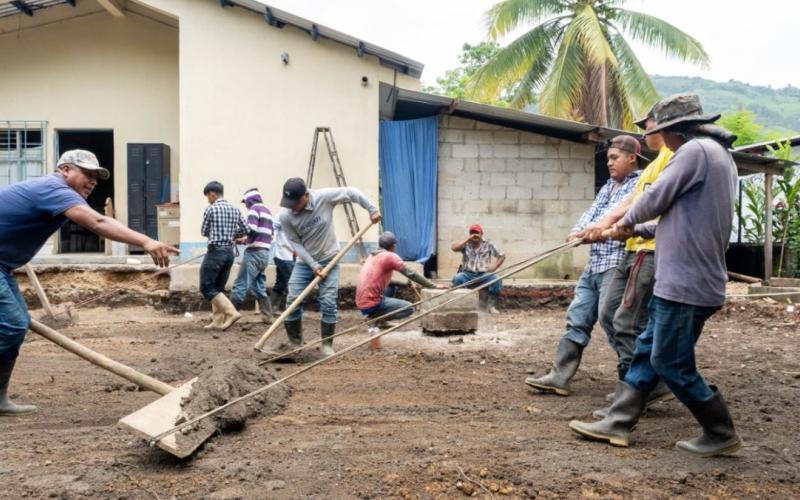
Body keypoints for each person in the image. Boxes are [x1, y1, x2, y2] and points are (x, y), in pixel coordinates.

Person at [570, 94, 743, 457]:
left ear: (672, 129)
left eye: (659, 130)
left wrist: (620, 223)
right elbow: (676, 221)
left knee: (671, 363)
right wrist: (628, 231)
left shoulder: (695, 152)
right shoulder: (716, 156)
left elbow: (654, 198)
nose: (657, 137)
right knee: (648, 351)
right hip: (685, 278)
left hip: (687, 283)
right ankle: (618, 423)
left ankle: (720, 431)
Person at [0, 149, 178, 415]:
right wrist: (146, 241)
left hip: (5, 267)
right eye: (87, 173)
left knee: (17, 325)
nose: (94, 181)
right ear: (65, 170)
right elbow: (97, 221)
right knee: (13, 326)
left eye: (97, 176)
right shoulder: (53, 187)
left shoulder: (57, 193)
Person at [524, 135, 642, 396]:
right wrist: (576, 233)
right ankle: (559, 375)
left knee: (612, 319)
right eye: (608, 158)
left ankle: (638, 382)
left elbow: (627, 218)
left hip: (618, 262)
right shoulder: (608, 187)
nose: (610, 163)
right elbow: (590, 215)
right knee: (577, 317)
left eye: (615, 158)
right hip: (595, 263)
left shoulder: (640, 185)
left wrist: (603, 231)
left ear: (631, 158)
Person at [581, 109, 676, 418]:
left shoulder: (670, 159)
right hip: (632, 249)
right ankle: (638, 383)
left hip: (649, 248)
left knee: (627, 321)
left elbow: (643, 205)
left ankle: (639, 387)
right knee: (609, 313)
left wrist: (607, 231)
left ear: (661, 125)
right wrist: (599, 226)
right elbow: (628, 202)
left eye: (646, 126)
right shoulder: (655, 165)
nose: (644, 133)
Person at [277, 177, 381, 357]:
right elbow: (295, 243)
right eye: (289, 203)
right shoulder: (285, 216)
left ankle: (327, 345)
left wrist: (371, 209)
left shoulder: (324, 197)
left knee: (328, 302)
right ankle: (295, 342)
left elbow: (351, 192)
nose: (292, 207)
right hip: (305, 263)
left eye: (295, 202)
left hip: (330, 259)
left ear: (306, 195)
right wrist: (313, 265)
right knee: (292, 300)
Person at [356, 231, 446, 323]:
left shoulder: (372, 256)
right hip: (371, 304)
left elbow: (386, 281)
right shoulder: (389, 256)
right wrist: (433, 286)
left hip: (361, 303)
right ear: (393, 246)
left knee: (391, 287)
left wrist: (405, 283)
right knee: (410, 308)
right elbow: (411, 274)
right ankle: (376, 320)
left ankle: (378, 318)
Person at [200, 181, 247, 331]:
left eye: (208, 196)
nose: (208, 199)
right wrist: (230, 234)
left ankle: (231, 313)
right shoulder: (235, 209)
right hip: (229, 253)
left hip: (215, 251)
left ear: (212, 194)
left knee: (206, 287)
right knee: (217, 288)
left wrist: (218, 233)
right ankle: (218, 321)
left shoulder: (211, 209)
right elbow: (245, 229)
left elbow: (204, 231)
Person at [230, 188, 274, 323]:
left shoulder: (254, 209)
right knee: (259, 285)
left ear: (250, 200)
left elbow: (252, 230)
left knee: (241, 283)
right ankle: (267, 316)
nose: (246, 205)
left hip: (253, 253)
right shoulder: (267, 211)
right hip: (265, 253)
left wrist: (239, 236)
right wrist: (244, 240)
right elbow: (265, 234)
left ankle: (230, 314)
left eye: (245, 202)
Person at [450, 224, 506, 313]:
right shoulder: (466, 244)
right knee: (457, 279)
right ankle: (463, 305)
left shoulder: (488, 244)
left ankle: (490, 306)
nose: (474, 235)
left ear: (481, 234)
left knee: (496, 279)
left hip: (483, 275)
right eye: (472, 233)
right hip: (467, 275)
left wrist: (494, 267)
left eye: (477, 233)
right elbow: (453, 248)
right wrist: (467, 239)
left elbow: (502, 255)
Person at [269, 220, 295, 312]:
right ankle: (288, 310)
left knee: (281, 283)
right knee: (292, 282)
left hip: (287, 255)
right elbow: (272, 227)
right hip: (283, 254)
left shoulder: (297, 216)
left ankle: (271, 309)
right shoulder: (283, 215)